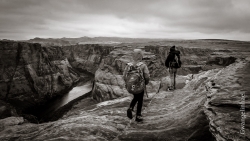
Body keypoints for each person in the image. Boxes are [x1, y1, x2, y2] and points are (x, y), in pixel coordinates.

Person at [123, 49, 150, 122]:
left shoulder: (128, 65)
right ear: (141, 56)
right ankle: (138, 115)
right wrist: (145, 83)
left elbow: (124, 76)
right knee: (140, 99)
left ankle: (131, 108)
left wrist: (128, 83)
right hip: (140, 86)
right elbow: (147, 76)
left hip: (131, 86)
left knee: (135, 97)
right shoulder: (143, 65)